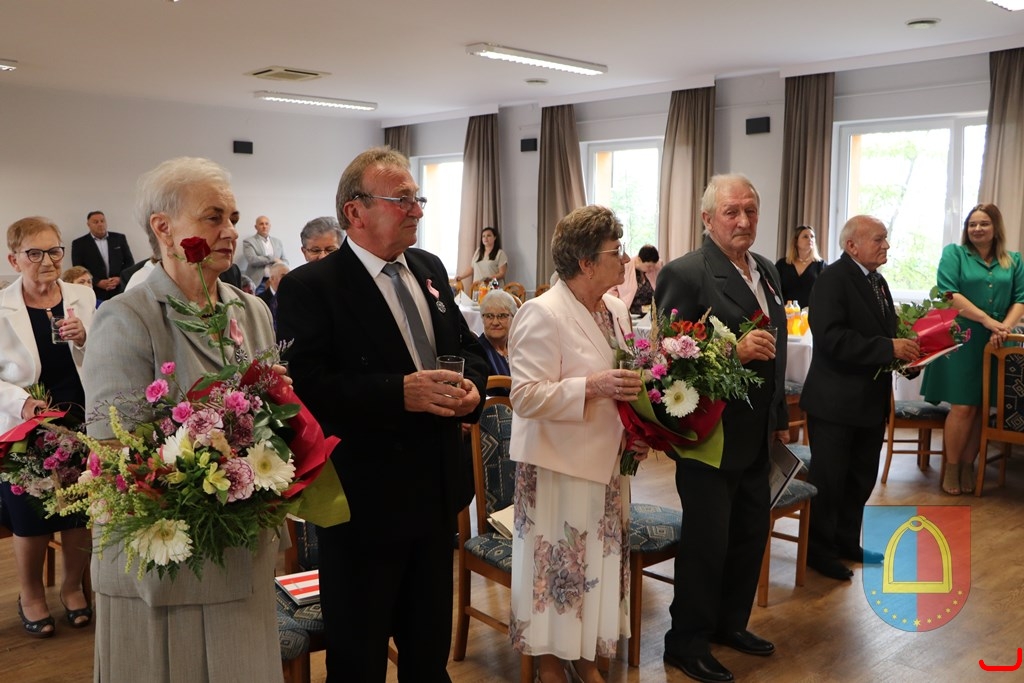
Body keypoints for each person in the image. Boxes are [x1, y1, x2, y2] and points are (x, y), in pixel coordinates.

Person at [276, 146, 488, 682]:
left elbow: (470, 348)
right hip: (364, 503)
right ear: (356, 211)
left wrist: (473, 391)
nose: (417, 210)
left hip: (437, 492)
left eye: (418, 199)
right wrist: (398, 392)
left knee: (428, 653)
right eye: (403, 200)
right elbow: (308, 387)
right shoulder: (311, 287)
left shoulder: (429, 267)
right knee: (359, 660)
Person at [82, 157, 283, 682]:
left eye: (233, 218)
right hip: (164, 563)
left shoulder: (251, 310)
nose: (230, 231)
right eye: (213, 217)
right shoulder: (127, 317)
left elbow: (273, 415)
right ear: (163, 228)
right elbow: (115, 453)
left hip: (244, 550)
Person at [655, 174, 788, 683]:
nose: (744, 220)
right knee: (707, 544)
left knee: (749, 535)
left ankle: (729, 624)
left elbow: (776, 353)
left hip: (757, 433)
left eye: (751, 210)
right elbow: (667, 360)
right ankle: (686, 642)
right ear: (707, 219)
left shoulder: (767, 269)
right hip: (710, 436)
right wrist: (733, 350)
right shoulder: (686, 273)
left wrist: (778, 419)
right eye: (732, 212)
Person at [508, 204, 644, 683]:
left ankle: (586, 661)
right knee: (559, 572)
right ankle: (550, 664)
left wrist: (640, 432)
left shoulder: (617, 310)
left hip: (607, 464)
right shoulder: (542, 312)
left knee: (597, 571)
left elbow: (630, 383)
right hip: (558, 467)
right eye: (615, 251)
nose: (625, 259)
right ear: (586, 262)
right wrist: (591, 386)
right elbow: (524, 396)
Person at [801, 215, 921, 581]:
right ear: (852, 245)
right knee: (830, 480)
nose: (886, 246)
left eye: (886, 239)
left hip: (869, 401)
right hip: (835, 402)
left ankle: (846, 541)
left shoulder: (877, 281)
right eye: (879, 239)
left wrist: (909, 357)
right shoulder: (831, 280)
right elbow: (831, 339)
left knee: (860, 478)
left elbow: (885, 335)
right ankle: (818, 551)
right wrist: (889, 348)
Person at [1, 216, 95, 637]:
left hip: (79, 420)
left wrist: (85, 337)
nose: (47, 261)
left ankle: (72, 588)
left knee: (79, 512)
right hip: (24, 428)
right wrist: (20, 403)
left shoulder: (82, 296)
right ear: (14, 260)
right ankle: (31, 595)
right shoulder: (2, 306)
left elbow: (105, 354)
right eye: (34, 253)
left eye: (54, 251)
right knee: (30, 517)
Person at [922, 203, 1024, 495]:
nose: (977, 229)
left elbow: (1021, 299)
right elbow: (949, 294)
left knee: (981, 406)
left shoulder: (1014, 260)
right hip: (962, 337)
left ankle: (969, 465)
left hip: (998, 340)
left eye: (984, 224)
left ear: (996, 227)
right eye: (972, 224)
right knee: (963, 406)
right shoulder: (954, 254)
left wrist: (1003, 328)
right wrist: (988, 321)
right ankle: (952, 468)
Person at [70, 210, 135, 301]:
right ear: (88, 224)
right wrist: (97, 282)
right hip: (94, 291)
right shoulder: (79, 243)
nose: (100, 224)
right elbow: (78, 268)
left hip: (119, 289)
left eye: (102, 221)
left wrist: (120, 278)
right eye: (96, 222)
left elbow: (129, 262)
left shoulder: (119, 238)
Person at [477, 288, 517, 395]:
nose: (495, 322)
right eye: (489, 316)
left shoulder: (518, 347)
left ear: (513, 318)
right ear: (482, 319)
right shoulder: (478, 351)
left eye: (502, 316)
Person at [775, 225, 826, 308]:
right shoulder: (782, 264)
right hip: (786, 312)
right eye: (805, 237)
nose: (810, 239)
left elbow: (826, 293)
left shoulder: (821, 265)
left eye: (812, 236)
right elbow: (774, 289)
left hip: (812, 313)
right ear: (796, 241)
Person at [610, 244, 662, 315]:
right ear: (639, 260)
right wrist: (616, 309)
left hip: (652, 313)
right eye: (649, 266)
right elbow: (611, 290)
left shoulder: (657, 266)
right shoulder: (625, 267)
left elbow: (662, 287)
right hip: (629, 313)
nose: (652, 269)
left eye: (653, 266)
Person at [239, 214, 288, 288]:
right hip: (259, 282)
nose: (264, 226)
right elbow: (252, 260)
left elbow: (285, 261)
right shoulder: (249, 242)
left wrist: (281, 264)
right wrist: (273, 259)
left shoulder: (277, 242)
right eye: (261, 224)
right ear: (256, 227)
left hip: (276, 281)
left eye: (266, 224)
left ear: (270, 226)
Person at [258, 261, 289, 329]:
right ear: (272, 278)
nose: (287, 280)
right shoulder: (260, 300)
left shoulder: (292, 298)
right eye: (283, 276)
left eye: (288, 276)